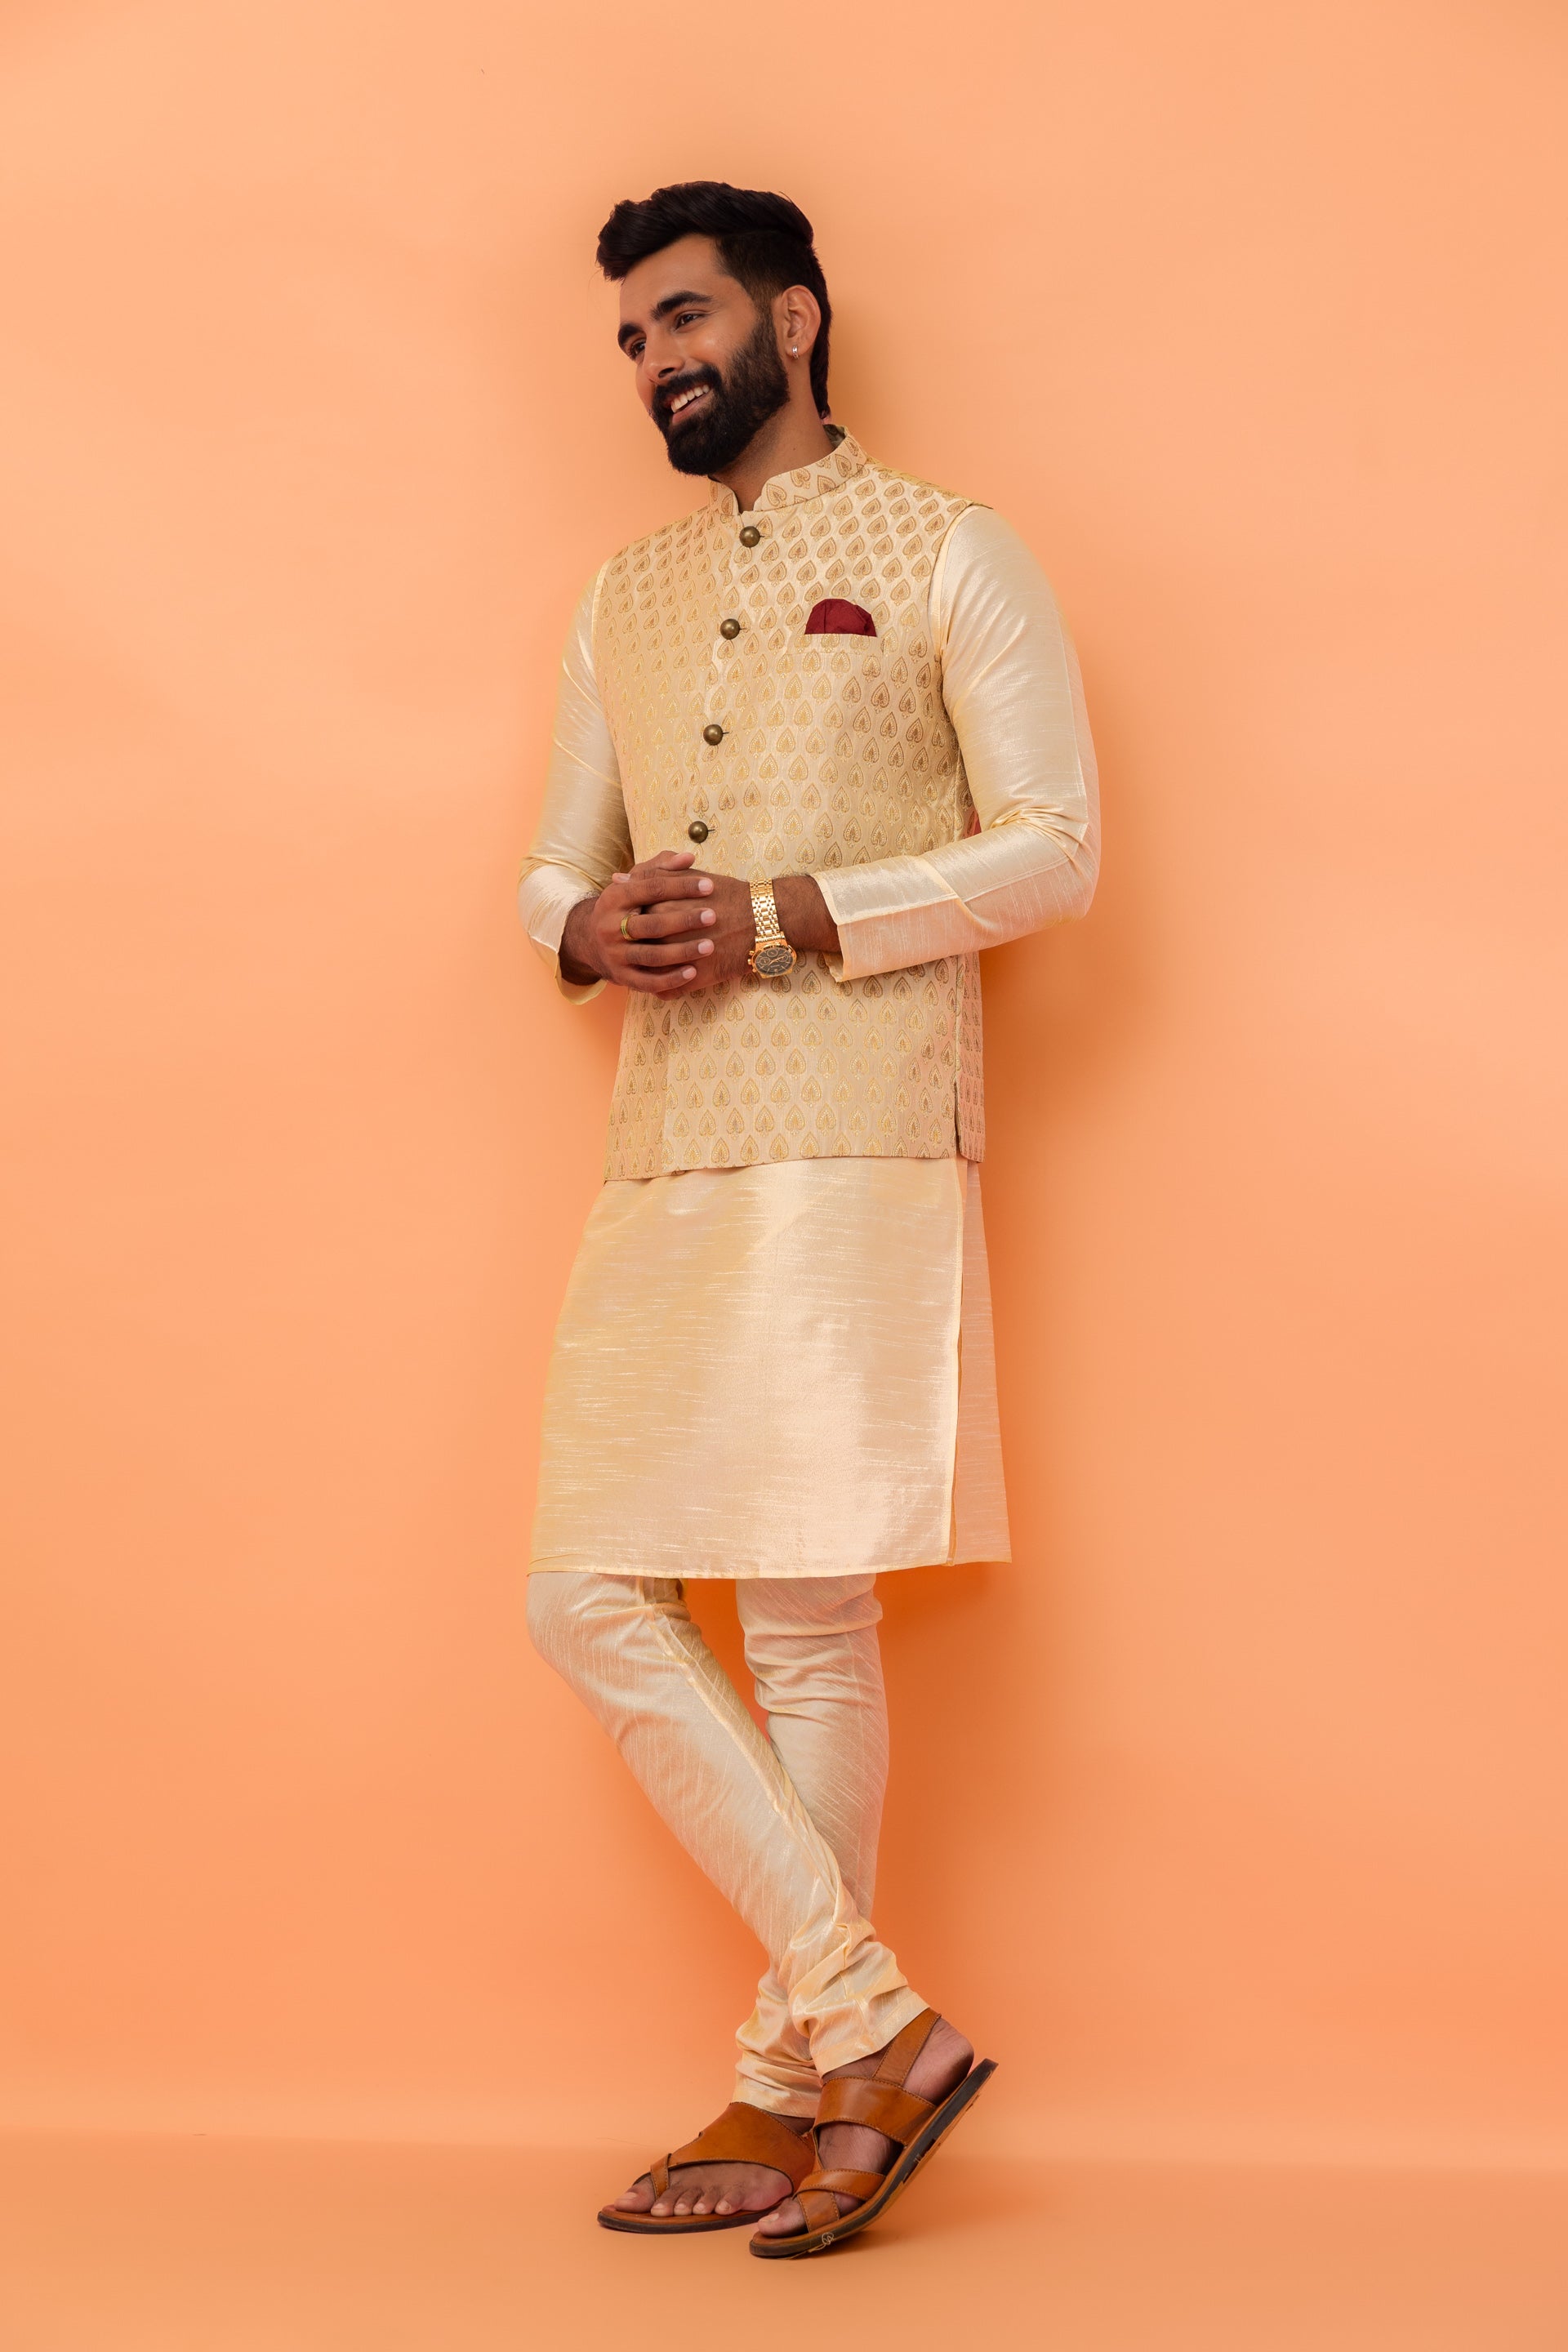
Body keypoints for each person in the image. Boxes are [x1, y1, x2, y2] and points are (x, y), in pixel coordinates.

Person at [517, 180, 1098, 2259]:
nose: (657, 363)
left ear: (792, 316)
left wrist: (795, 912)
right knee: (589, 1591)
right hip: (668, 1137)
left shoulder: (951, 547)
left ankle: (796, 2086)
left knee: (809, 1616)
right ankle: (875, 2026)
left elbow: (1056, 848)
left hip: (862, 1128)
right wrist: (583, 926)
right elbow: (547, 867)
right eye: (632, 339)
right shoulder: (624, 590)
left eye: (684, 318)